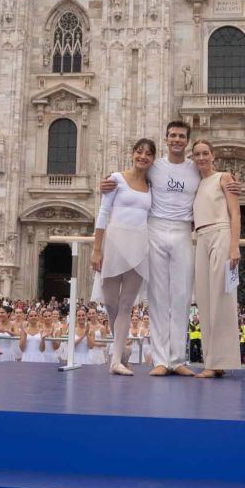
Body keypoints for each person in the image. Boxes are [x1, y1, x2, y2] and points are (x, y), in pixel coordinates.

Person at [101, 121, 240, 377]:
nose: (177, 139)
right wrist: (109, 182)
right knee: (157, 296)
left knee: (181, 295)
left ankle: (177, 359)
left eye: (181, 136)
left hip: (182, 232)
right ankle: (161, 359)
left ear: (186, 141)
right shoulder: (155, 167)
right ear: (166, 139)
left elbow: (214, 178)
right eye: (173, 135)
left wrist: (232, 183)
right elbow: (133, 174)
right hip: (155, 229)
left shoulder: (194, 168)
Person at [92, 138, 155, 376]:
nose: (143, 156)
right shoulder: (116, 179)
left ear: (153, 159)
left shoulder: (151, 185)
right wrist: (97, 249)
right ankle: (124, 347)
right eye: (139, 152)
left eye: (148, 154)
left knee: (127, 304)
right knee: (110, 302)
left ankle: (116, 359)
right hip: (115, 242)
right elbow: (103, 212)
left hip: (139, 244)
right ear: (132, 154)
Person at [189, 139, 242, 378]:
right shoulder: (195, 184)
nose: (201, 158)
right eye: (197, 154)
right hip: (200, 237)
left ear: (213, 155)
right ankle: (212, 360)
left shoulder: (224, 178)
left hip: (221, 233)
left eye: (205, 153)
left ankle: (219, 361)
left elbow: (235, 213)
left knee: (222, 298)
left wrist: (234, 246)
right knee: (204, 300)